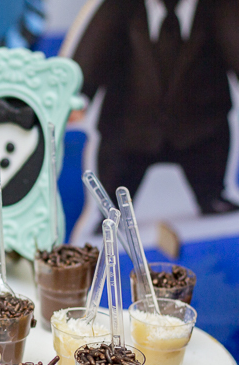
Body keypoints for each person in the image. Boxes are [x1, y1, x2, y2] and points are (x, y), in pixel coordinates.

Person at [61, 0, 239, 215]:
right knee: (113, 204)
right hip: (128, 131)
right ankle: (111, 210)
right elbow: (93, 51)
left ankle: (212, 194)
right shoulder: (119, 6)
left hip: (201, 130)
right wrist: (76, 97)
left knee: (213, 193)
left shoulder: (219, 7)